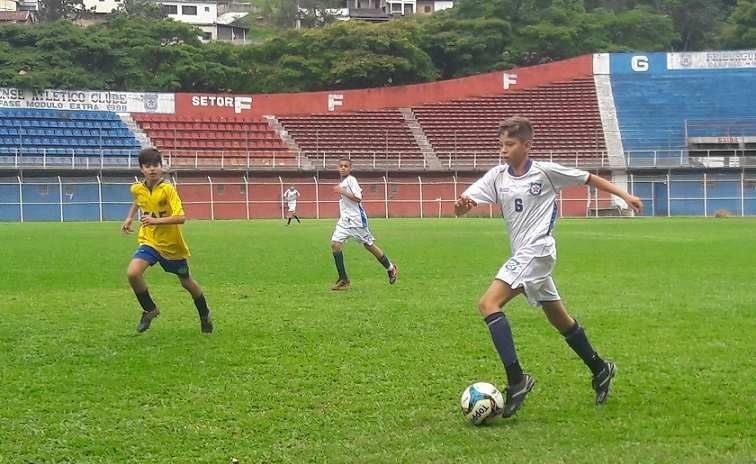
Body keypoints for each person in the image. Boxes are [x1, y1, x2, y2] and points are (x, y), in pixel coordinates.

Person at [454, 117, 642, 418]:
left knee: (488, 303)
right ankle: (600, 367)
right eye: (501, 144)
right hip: (524, 255)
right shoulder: (497, 177)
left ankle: (517, 379)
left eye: (510, 144)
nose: (504, 150)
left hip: (538, 250)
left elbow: (588, 178)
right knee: (559, 318)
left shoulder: (546, 172)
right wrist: (461, 208)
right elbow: (461, 207)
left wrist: (625, 195)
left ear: (527, 145)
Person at [121, 148, 213, 334]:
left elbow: (181, 217)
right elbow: (139, 200)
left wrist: (156, 220)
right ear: (141, 169)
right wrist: (129, 217)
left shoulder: (167, 189)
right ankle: (150, 309)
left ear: (162, 167)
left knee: (187, 283)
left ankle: (204, 314)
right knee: (133, 273)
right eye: (148, 166)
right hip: (149, 241)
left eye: (156, 165)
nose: (152, 169)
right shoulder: (137, 188)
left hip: (172, 247)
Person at [330, 158, 398, 290]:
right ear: (338, 168)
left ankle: (390, 268)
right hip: (345, 220)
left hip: (356, 220)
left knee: (368, 245)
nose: (343, 168)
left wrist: (341, 191)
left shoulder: (351, 180)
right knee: (335, 245)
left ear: (350, 169)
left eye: (346, 166)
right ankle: (343, 279)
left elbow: (358, 198)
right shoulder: (343, 182)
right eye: (341, 166)